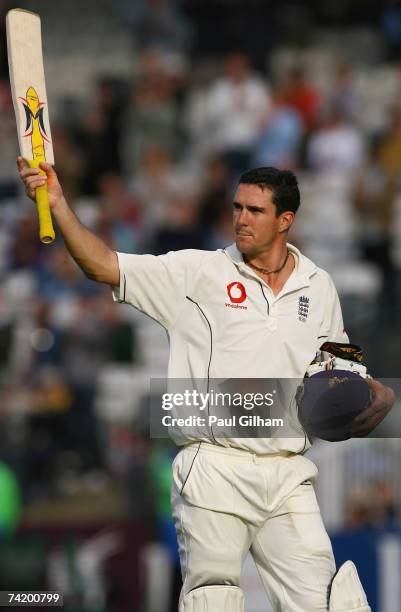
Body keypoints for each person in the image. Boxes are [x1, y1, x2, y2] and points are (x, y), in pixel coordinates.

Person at [18, 159, 395, 612]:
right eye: (237, 207)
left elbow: (337, 372)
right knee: (212, 600)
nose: (241, 218)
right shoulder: (197, 273)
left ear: (285, 220)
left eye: (255, 210)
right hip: (214, 465)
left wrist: (376, 394)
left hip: (288, 471)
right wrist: (58, 204)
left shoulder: (320, 286)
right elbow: (102, 265)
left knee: (327, 602)